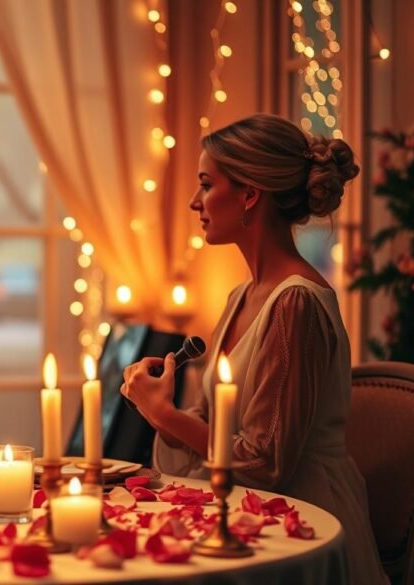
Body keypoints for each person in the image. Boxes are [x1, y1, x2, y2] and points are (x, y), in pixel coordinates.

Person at [120, 114, 387, 584]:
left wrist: (163, 415)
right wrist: (164, 405)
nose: (193, 201)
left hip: (304, 527)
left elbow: (266, 465)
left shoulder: (297, 303)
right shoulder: (241, 295)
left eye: (206, 184)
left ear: (249, 195)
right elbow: (211, 424)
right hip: (248, 515)